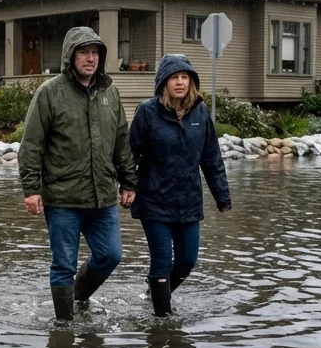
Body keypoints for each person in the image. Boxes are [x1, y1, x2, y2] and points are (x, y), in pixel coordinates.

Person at [19, 26, 137, 320]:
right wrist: (31, 190)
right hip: (62, 199)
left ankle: (79, 297)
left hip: (102, 197)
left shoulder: (110, 93)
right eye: (84, 52)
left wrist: (128, 181)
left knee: (111, 255)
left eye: (95, 52)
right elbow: (31, 144)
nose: (90, 58)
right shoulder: (49, 93)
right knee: (63, 265)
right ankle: (64, 327)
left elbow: (122, 140)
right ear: (70, 56)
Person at [128, 53, 231, 316]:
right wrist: (127, 186)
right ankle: (163, 321)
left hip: (188, 202)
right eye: (174, 77)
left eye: (185, 77)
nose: (180, 82)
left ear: (191, 82)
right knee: (162, 261)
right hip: (154, 201)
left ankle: (155, 293)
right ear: (164, 81)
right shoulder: (147, 112)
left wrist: (222, 197)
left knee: (187, 261)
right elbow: (130, 155)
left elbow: (211, 157)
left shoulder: (201, 112)